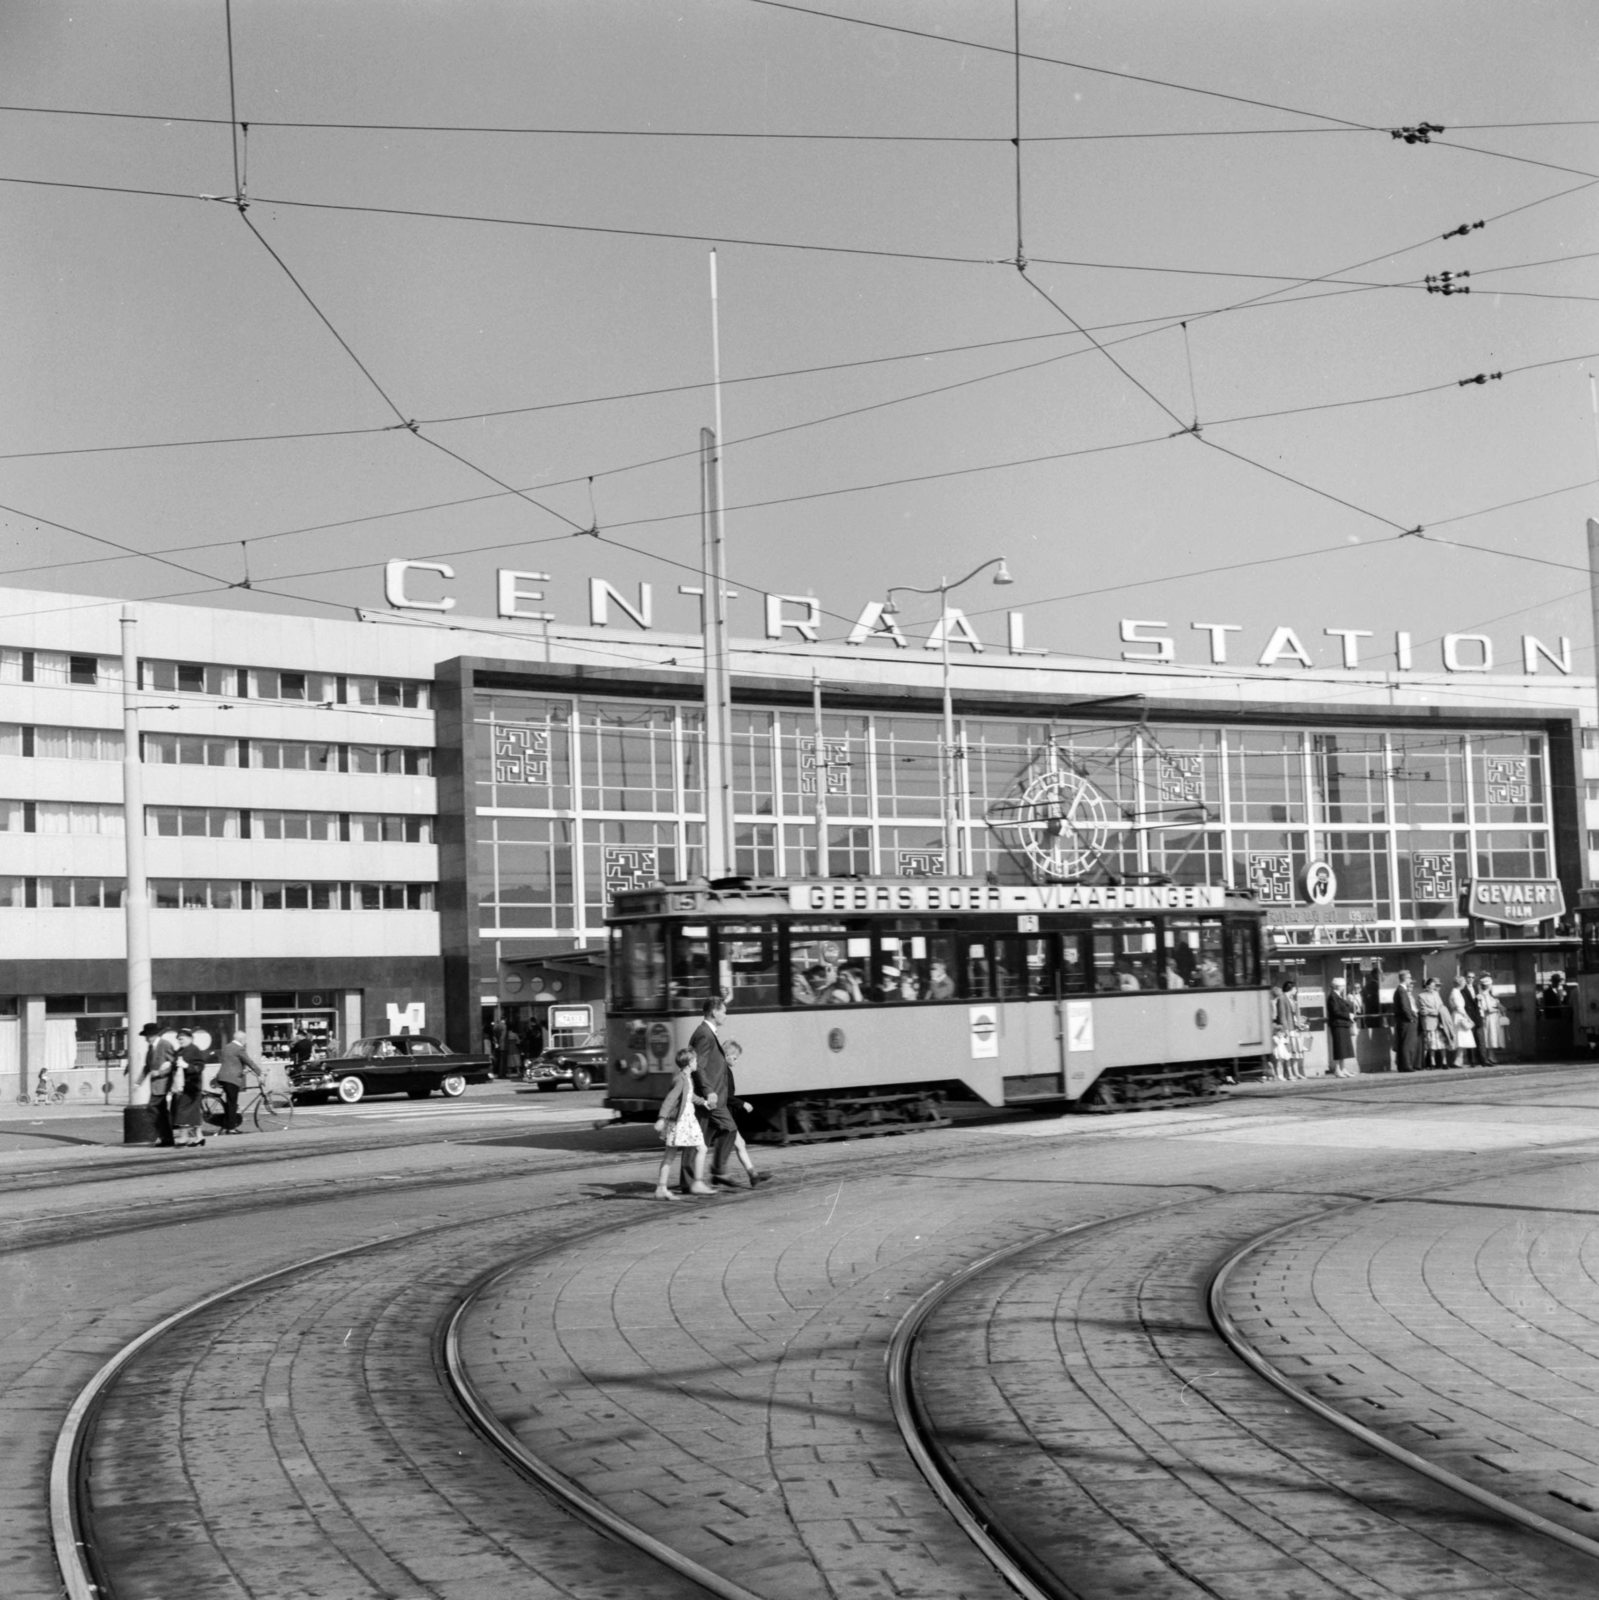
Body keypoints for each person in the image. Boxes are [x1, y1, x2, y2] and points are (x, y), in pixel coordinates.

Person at [690, 997, 741, 1186]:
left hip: (712, 1096)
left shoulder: (707, 1032)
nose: (726, 1015)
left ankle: (695, 1179)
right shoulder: (704, 1034)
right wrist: (709, 1091)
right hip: (710, 1096)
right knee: (728, 1128)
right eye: (724, 1011)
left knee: (700, 1138)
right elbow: (699, 1066)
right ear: (714, 1012)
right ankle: (715, 1171)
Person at [652, 1048, 712, 1199]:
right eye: (695, 1060)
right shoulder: (680, 1079)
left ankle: (662, 1188)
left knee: (673, 1154)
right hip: (681, 1121)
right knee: (694, 1150)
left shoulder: (687, 1078)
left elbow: (689, 1096)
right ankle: (696, 1183)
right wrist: (661, 1118)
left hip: (687, 1120)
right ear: (690, 1063)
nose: (697, 1062)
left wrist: (704, 1102)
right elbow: (670, 1099)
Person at [169, 1027, 213, 1147]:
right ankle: (199, 1137)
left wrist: (186, 1066)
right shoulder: (181, 1050)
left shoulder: (194, 1050)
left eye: (182, 1038)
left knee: (182, 1111)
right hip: (184, 1086)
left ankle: (184, 1137)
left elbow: (200, 1067)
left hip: (191, 1087)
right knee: (191, 1112)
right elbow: (175, 1065)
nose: (180, 1040)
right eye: (178, 1039)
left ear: (190, 1038)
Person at [214, 1027, 260, 1134]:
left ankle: (229, 1121)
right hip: (232, 1079)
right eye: (245, 1040)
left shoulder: (227, 1047)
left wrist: (242, 1070)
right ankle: (230, 1128)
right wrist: (259, 1072)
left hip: (222, 1077)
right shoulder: (239, 1048)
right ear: (241, 1040)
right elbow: (249, 1061)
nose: (246, 1042)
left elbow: (231, 1062)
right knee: (232, 1103)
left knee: (230, 1102)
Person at [139, 1022, 177, 1146]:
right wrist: (138, 1082)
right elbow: (147, 1067)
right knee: (161, 1112)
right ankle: (167, 1138)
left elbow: (172, 1063)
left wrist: (160, 1073)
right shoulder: (150, 1049)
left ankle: (164, 1135)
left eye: (148, 1036)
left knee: (153, 1108)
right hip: (156, 1086)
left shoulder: (165, 1045)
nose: (146, 1039)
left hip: (163, 1084)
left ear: (154, 1035)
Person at [1275, 978, 1307, 1080]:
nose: (1296, 990)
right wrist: (1285, 1030)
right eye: (1295, 988)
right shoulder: (1282, 999)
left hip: (1295, 1028)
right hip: (1288, 1029)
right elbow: (1282, 1015)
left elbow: (1295, 1014)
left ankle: (1296, 1072)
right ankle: (1289, 1073)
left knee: (1296, 1052)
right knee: (1288, 1053)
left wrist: (1300, 1024)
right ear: (1290, 988)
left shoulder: (1293, 1000)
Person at [1391, 971, 1422, 1072]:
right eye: (1409, 978)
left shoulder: (1400, 990)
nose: (1410, 980)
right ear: (1405, 979)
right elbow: (1405, 1007)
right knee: (1407, 1043)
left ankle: (1403, 1065)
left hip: (1403, 1020)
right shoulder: (1402, 991)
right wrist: (1411, 1018)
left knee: (1404, 1043)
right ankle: (1406, 1065)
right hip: (1405, 1021)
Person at [1327, 977, 1358, 1077]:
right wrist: (1348, 1015)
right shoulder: (1332, 997)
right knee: (1338, 1048)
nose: (1344, 987)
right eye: (1343, 985)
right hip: (1337, 1025)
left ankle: (1343, 1068)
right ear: (1338, 986)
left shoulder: (1339, 996)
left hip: (1343, 1024)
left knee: (1343, 1048)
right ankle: (1337, 1069)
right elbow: (1335, 1011)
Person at [1418, 977, 1450, 1070]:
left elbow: (1441, 1007)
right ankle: (1432, 1063)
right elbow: (1423, 1010)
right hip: (1429, 1023)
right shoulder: (1422, 996)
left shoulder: (1436, 994)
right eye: (1431, 987)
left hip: (1439, 1022)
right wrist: (1435, 1011)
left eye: (1434, 987)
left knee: (1442, 1043)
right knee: (1431, 1045)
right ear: (1427, 987)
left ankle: (1444, 1062)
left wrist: (1431, 1011)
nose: (1433, 989)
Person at [1447, 978, 1476, 1068]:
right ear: (1459, 983)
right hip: (1459, 1017)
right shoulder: (1455, 993)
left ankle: (1459, 1060)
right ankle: (1457, 1061)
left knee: (1462, 1039)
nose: (1465, 983)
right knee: (1461, 1038)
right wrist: (1468, 1019)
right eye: (1463, 982)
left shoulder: (1456, 992)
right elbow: (1460, 1008)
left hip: (1458, 1016)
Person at [1477, 975, 1505, 1065]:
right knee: (1490, 1037)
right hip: (1490, 1019)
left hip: (1491, 1019)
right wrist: (1498, 1009)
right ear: (1489, 985)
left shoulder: (1486, 995)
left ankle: (1491, 1056)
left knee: (1490, 1037)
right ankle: (1491, 1056)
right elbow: (1488, 1009)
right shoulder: (1485, 995)